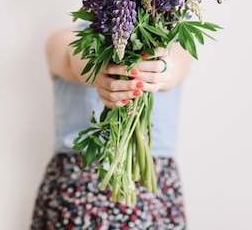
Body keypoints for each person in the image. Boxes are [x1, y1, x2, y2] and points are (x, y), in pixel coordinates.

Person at [30, 26, 194, 230]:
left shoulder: (175, 44)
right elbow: (72, 59)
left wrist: (158, 70)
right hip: (80, 182)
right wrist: (100, 71)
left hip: (153, 184)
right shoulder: (62, 38)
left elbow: (175, 68)